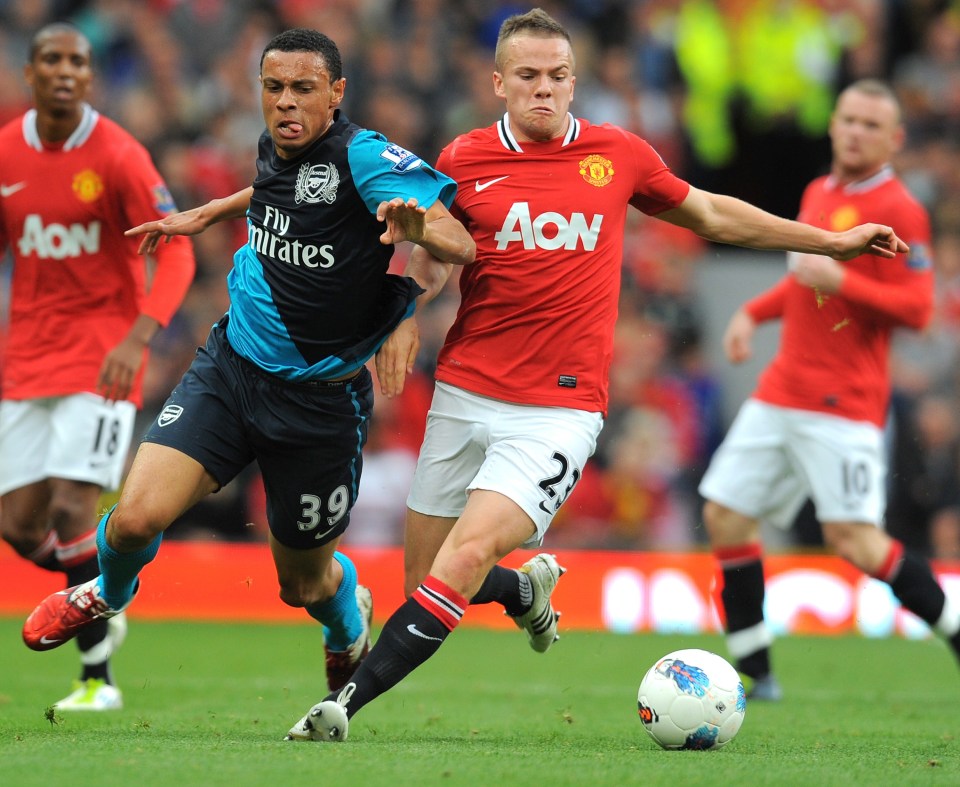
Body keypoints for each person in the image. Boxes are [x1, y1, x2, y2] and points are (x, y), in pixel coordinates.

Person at [283, 11, 911, 743]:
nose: (543, 90)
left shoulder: (618, 155)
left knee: (462, 556)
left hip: (558, 408)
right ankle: (526, 588)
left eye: (556, 77)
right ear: (499, 84)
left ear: (574, 83)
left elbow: (711, 214)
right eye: (527, 77)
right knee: (420, 578)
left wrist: (832, 239)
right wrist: (406, 304)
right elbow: (438, 248)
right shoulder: (464, 155)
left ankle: (342, 707)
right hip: (465, 387)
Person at [21, 28, 475, 705]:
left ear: (337, 93)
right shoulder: (276, 143)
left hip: (319, 404)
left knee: (302, 584)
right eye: (274, 88)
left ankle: (347, 620)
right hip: (231, 367)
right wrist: (209, 211)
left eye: (303, 89)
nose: (285, 103)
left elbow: (457, 237)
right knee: (137, 515)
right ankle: (108, 592)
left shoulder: (366, 155)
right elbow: (278, 193)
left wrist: (417, 233)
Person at [697, 79, 959, 700]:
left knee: (855, 542)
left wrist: (842, 281)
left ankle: (956, 630)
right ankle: (757, 674)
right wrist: (753, 314)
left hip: (842, 404)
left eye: (872, 124)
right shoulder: (818, 191)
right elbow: (801, 281)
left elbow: (919, 309)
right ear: (833, 124)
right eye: (848, 119)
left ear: (894, 139)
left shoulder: (900, 209)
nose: (856, 131)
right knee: (725, 515)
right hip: (782, 388)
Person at [0, 23, 196, 711]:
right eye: (50, 58)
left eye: (77, 61)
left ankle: (97, 682)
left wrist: (137, 337)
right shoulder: (6, 151)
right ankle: (109, 587)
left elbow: (175, 251)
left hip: (103, 357)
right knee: (20, 527)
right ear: (30, 72)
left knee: (69, 506)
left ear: (90, 75)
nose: (64, 70)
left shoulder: (117, 154)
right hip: (25, 357)